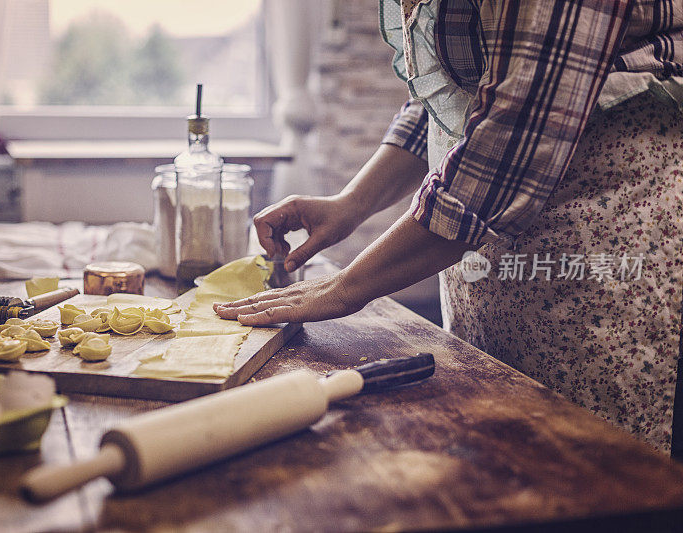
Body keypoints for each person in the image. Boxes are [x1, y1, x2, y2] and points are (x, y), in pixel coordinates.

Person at [216, 0, 683, 455]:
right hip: (486, 263)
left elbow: (511, 138)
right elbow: (451, 96)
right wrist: (351, 203)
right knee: (499, 461)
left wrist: (346, 286)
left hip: (597, 247)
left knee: (587, 476)